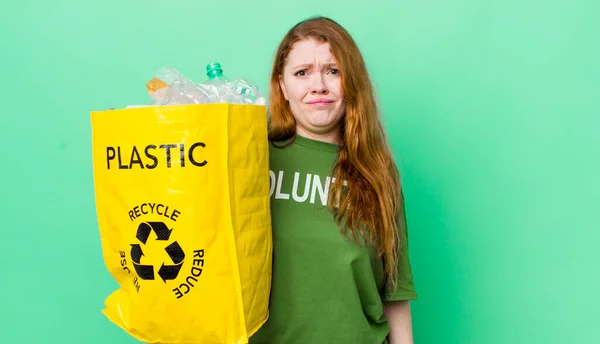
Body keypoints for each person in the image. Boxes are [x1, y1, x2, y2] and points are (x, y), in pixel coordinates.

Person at [249, 16, 417, 344]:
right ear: (282, 86)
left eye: (333, 71)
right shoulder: (250, 160)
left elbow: (395, 293)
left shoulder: (377, 172)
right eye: (302, 73)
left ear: (350, 82)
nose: (319, 86)